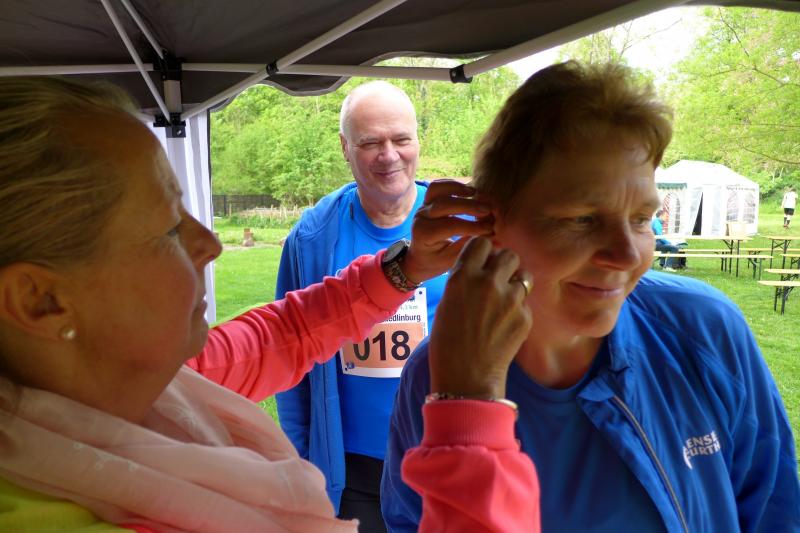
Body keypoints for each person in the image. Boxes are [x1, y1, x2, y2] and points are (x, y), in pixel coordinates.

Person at [0, 76, 540, 532]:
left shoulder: (142, 381)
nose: (210, 244)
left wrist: (407, 267)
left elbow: (285, 333)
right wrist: (469, 406)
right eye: (168, 228)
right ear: (40, 300)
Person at [382, 61, 800, 532]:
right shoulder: (437, 378)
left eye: (641, 219)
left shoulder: (705, 330)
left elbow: (775, 512)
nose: (626, 255)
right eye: (581, 219)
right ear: (488, 222)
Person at [275, 80, 454, 529]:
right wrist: (301, 461)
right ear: (345, 147)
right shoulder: (312, 238)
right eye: (371, 143)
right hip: (354, 471)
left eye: (401, 139)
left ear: (418, 140)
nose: (389, 155)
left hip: (445, 459)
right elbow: (287, 356)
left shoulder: (459, 227)